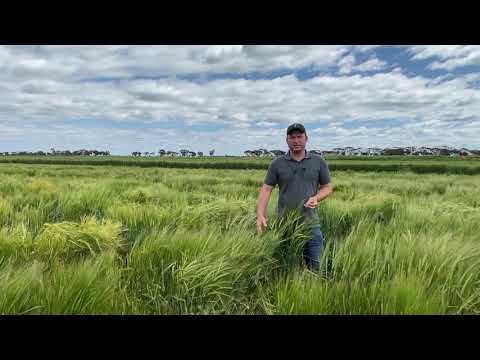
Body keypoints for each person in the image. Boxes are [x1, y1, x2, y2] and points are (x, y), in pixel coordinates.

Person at [256, 123, 333, 272]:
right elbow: (266, 189)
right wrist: (260, 214)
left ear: (306, 139)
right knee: (285, 269)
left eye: (299, 137)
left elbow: (327, 187)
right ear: (287, 140)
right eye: (292, 137)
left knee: (317, 269)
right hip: (284, 225)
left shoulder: (318, 162)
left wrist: (317, 198)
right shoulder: (277, 163)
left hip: (311, 224)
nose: (296, 140)